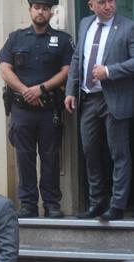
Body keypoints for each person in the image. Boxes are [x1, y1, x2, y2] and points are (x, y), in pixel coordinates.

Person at [0, 0, 75, 219]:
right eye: (37, 7)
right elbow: (5, 69)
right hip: (22, 109)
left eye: (46, 8)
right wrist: (25, 90)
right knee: (24, 157)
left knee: (51, 157)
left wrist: (41, 89)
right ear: (30, 10)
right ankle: (29, 205)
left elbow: (67, 70)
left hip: (49, 109)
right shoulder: (15, 38)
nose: (41, 12)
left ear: (51, 11)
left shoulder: (63, 40)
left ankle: (51, 204)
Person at [65, 0, 134, 221]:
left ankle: (117, 206)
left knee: (119, 154)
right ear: (91, 5)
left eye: (111, 1)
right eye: (102, 2)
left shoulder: (128, 27)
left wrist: (109, 71)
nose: (108, 6)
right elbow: (78, 59)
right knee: (90, 152)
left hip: (113, 98)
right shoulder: (85, 23)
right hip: (88, 99)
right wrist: (70, 91)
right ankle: (97, 202)